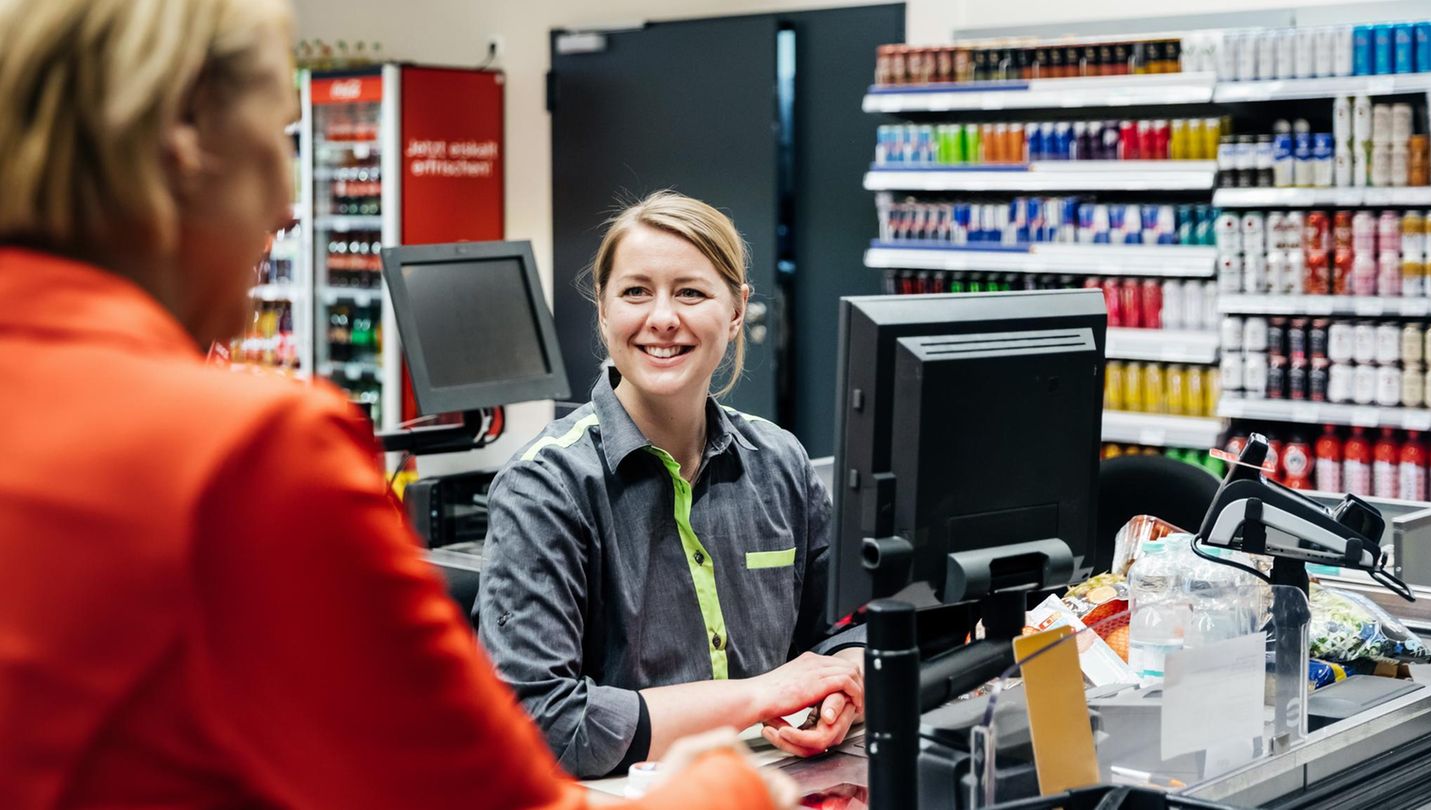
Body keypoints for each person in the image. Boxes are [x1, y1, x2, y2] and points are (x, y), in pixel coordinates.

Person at [0, 2, 793, 808]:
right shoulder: (243, 452)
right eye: (276, 143)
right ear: (184, 148)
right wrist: (726, 784)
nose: (288, 207)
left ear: (735, 311)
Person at [477, 191, 865, 780]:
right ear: (604, 312)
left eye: (690, 292)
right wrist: (763, 695)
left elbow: (847, 630)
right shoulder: (545, 488)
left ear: (736, 311)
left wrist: (845, 687)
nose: (662, 318)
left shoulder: (781, 462)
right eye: (635, 292)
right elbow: (536, 722)